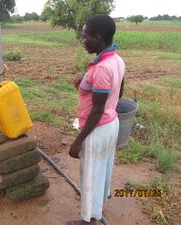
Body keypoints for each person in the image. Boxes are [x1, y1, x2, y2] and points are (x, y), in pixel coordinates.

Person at [68, 14, 125, 225]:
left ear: (98, 38)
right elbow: (117, 93)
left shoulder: (102, 68)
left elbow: (96, 111)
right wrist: (85, 86)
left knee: (91, 174)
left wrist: (78, 141)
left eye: (85, 37)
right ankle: (99, 204)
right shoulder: (116, 59)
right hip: (111, 124)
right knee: (103, 168)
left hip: (97, 129)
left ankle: (88, 219)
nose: (83, 41)